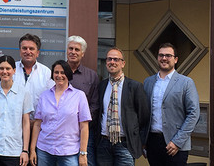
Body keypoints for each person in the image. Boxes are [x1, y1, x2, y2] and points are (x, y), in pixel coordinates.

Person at [144, 43, 200, 166]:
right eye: (161, 55)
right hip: (153, 142)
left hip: (175, 145)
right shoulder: (148, 82)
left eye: (168, 55)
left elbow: (194, 114)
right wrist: (144, 141)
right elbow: (144, 113)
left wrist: (177, 142)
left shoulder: (186, 83)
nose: (164, 58)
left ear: (175, 59)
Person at [30, 60, 91, 166]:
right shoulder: (44, 96)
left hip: (69, 151)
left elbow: (84, 127)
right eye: (56, 72)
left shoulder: (79, 96)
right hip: (44, 149)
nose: (59, 75)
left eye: (63, 72)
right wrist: (32, 150)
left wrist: (83, 153)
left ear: (68, 74)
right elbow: (37, 124)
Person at [96, 48, 149, 166]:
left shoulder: (135, 87)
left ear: (123, 63)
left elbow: (144, 117)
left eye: (116, 59)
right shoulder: (102, 86)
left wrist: (139, 142)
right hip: (103, 144)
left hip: (125, 144)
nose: (112, 62)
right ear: (106, 63)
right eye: (109, 59)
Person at [66, 36, 99, 166]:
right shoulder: (57, 72)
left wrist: (80, 122)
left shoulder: (91, 76)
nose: (73, 52)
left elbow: (95, 104)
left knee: (85, 163)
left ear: (82, 53)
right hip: (62, 133)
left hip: (84, 131)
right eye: (71, 48)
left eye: (77, 49)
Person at [13, 33, 55, 118]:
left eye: (31, 48)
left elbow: (53, 99)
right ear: (20, 51)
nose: (28, 52)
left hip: (39, 125)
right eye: (24, 48)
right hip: (14, 125)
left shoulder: (46, 73)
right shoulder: (11, 70)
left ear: (37, 53)